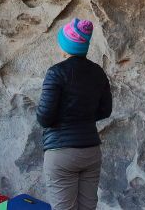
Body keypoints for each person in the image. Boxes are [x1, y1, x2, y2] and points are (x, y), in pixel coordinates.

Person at [36, 18, 112, 210]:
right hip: (91, 151)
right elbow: (105, 110)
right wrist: (82, 117)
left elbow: (45, 118)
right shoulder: (98, 72)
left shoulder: (56, 73)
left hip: (61, 153)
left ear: (66, 46)